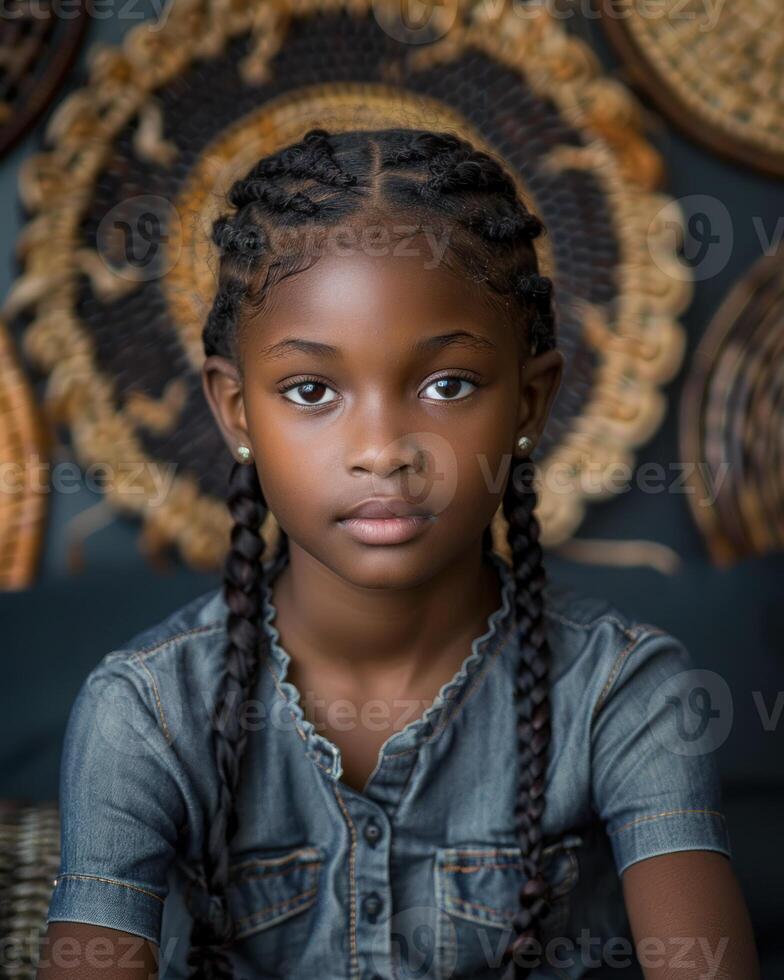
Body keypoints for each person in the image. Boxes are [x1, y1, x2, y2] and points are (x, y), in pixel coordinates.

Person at [39, 128, 759, 980]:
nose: (381, 450)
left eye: (446, 384)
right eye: (312, 391)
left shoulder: (625, 699)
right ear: (236, 411)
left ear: (530, 400)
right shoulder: (145, 716)